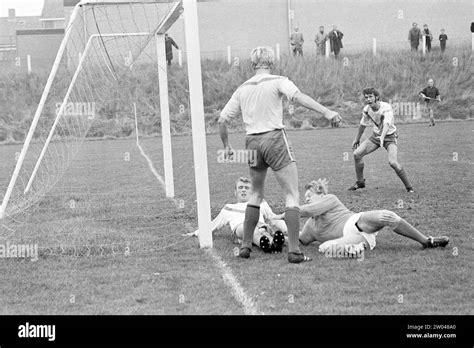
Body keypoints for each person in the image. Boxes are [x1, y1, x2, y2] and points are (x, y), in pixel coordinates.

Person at [218, 46, 341, 263]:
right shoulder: (278, 80)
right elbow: (299, 97)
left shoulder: (242, 88)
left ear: (252, 64)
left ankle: (246, 246)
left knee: (255, 194)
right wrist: (326, 111)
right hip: (274, 139)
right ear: (271, 62)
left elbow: (222, 120)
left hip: (252, 142)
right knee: (291, 194)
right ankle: (294, 251)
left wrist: (227, 146)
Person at [292, 179, 449, 256]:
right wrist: (276, 232)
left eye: (309, 196)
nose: (306, 199)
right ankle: (356, 249)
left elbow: (305, 210)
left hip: (356, 222)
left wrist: (279, 215)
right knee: (324, 248)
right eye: (305, 198)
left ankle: (427, 241)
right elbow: (299, 240)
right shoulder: (310, 226)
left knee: (388, 217)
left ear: (321, 194)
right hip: (357, 240)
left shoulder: (329, 199)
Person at [186, 177, 287, 253]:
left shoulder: (260, 203)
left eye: (247, 188)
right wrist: (197, 232)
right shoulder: (228, 208)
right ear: (235, 192)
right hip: (241, 227)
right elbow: (214, 225)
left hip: (260, 225)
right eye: (240, 187)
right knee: (252, 231)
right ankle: (267, 243)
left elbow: (273, 217)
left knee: (263, 231)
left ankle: (273, 243)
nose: (243, 190)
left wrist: (285, 228)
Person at [348, 87, 414, 193]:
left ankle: (409, 187)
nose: (368, 99)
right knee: (357, 154)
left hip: (390, 137)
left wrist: (383, 137)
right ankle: (360, 182)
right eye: (366, 97)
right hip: (376, 137)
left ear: (376, 97)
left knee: (393, 163)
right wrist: (357, 139)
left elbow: (387, 124)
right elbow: (362, 125)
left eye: (370, 97)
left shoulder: (386, 107)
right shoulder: (366, 109)